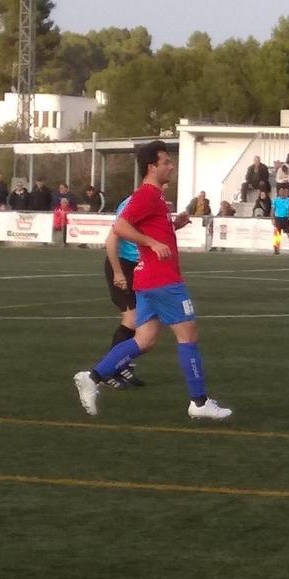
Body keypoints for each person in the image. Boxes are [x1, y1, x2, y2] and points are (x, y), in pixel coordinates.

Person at [72, 140, 231, 421]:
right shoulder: (146, 195)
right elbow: (120, 226)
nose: (171, 166)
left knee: (144, 340)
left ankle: (92, 377)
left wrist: (172, 226)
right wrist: (152, 242)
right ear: (152, 167)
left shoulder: (155, 198)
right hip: (163, 280)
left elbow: (148, 227)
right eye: (166, 162)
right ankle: (199, 401)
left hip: (147, 279)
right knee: (188, 336)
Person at [100, 192, 148, 390]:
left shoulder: (155, 201)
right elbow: (111, 240)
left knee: (141, 322)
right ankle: (107, 371)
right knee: (132, 320)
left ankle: (122, 365)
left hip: (137, 267)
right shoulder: (132, 202)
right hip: (122, 265)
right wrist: (118, 273)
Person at [272, 186, 289, 255]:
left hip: (286, 219)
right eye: (280, 191)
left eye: (283, 191)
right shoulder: (275, 200)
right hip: (278, 218)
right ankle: (276, 249)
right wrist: (273, 219)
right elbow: (273, 209)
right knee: (277, 235)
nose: (282, 193)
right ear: (279, 192)